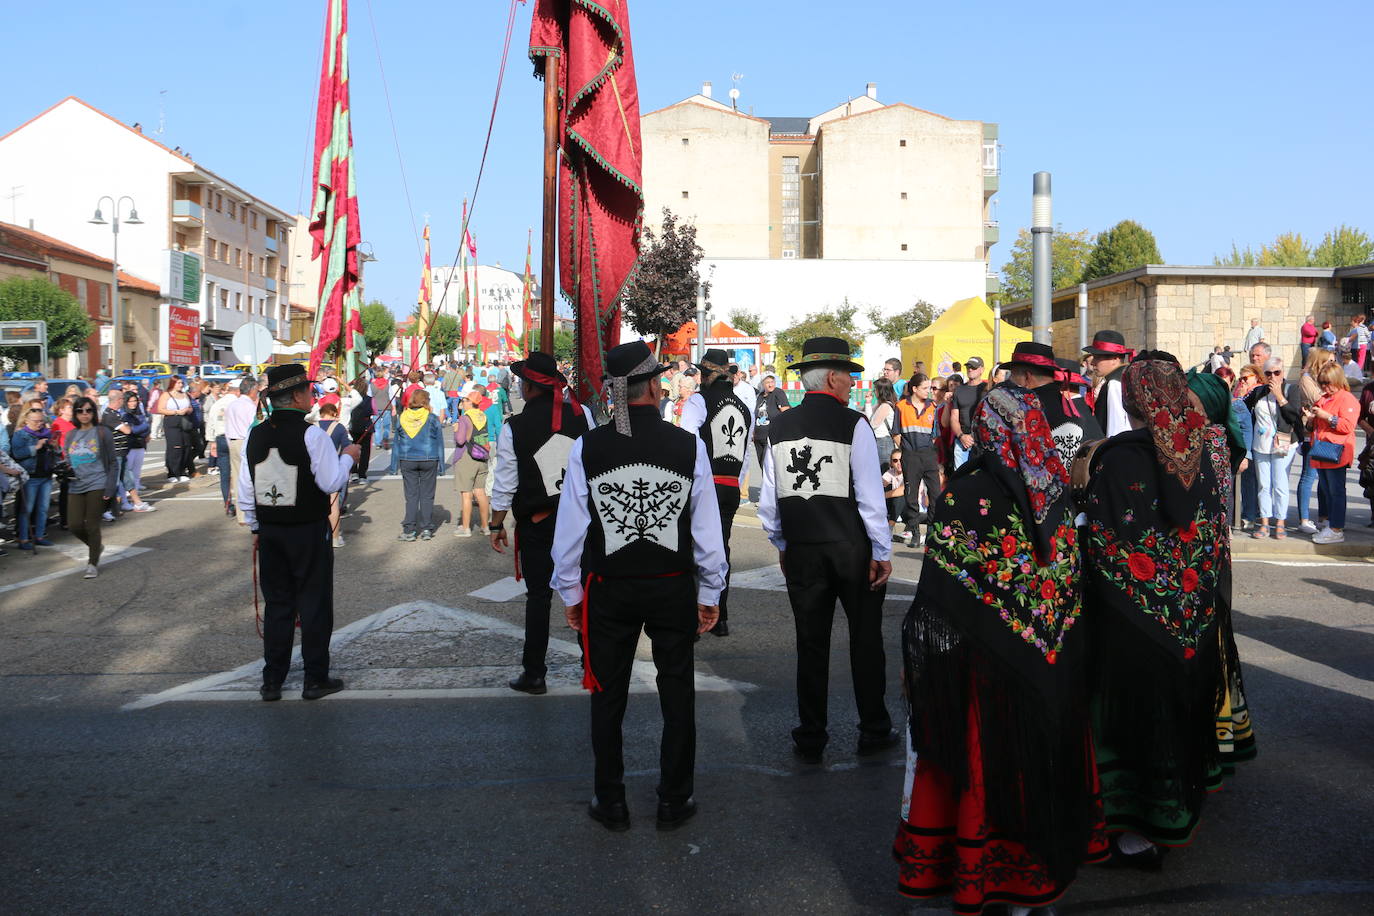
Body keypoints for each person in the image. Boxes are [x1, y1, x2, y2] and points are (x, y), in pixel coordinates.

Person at [895, 386, 1106, 911]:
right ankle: (1030, 889)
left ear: (986, 430)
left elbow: (940, 597)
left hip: (985, 664)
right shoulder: (1058, 491)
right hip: (1050, 665)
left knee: (985, 766)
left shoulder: (967, 493)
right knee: (1038, 763)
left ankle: (985, 876)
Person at [1082, 353, 1252, 865]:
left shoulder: (1116, 457)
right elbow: (1206, 537)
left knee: (1132, 722)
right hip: (1192, 612)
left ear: (1131, 400)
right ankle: (1174, 814)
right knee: (1177, 712)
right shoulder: (1202, 449)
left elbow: (1104, 543)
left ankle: (1135, 831)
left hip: (1128, 618)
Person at [551, 340, 726, 832]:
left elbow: (570, 532)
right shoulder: (686, 444)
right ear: (653, 386)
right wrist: (709, 594)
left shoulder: (591, 445)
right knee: (677, 692)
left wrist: (571, 595)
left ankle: (611, 800)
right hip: (671, 585)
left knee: (608, 695)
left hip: (610, 587)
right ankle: (674, 798)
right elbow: (707, 532)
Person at [757, 336, 897, 765]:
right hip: (850, 547)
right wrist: (882, 549)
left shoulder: (779, 426)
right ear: (833, 377)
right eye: (850, 377)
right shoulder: (853, 423)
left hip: (803, 547)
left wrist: (782, 542)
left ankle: (811, 734)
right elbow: (871, 498)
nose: (853, 385)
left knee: (811, 642)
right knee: (865, 640)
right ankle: (873, 728)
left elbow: (769, 499)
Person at [237, 364, 360, 701]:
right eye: (308, 390)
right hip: (306, 531)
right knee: (313, 604)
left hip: (271, 531)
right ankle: (315, 678)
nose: (313, 396)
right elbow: (331, 482)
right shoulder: (312, 435)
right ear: (295, 395)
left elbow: (246, 488)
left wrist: (255, 526)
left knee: (278, 604)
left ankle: (272, 680)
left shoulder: (256, 433)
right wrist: (349, 457)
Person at [489, 352, 594, 694]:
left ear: (532, 387)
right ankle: (591, 664)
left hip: (540, 522)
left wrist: (496, 523)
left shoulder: (514, 427)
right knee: (582, 593)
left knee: (539, 598)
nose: (519, 386)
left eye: (522, 381)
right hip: (580, 522)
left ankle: (535, 673)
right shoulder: (585, 416)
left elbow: (505, 482)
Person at [680, 349, 754, 637]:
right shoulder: (743, 406)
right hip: (730, 486)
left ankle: (694, 617)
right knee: (721, 547)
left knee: (692, 548)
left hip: (703, 484)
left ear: (709, 375)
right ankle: (719, 617)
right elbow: (745, 454)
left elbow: (687, 442)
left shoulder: (699, 401)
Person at [1002, 342, 1103, 467]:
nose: (1010, 381)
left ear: (1027, 377)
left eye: (1013, 375)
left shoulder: (1027, 408)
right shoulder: (1072, 407)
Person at [62, 397, 120, 579]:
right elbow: (69, 460)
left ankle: (92, 563)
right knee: (74, 525)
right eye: (80, 411)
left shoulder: (102, 432)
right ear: (75, 413)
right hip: (76, 484)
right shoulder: (71, 435)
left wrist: (110, 488)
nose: (84, 414)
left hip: (98, 482)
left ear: (94, 412)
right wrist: (65, 467)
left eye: (88, 410)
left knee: (92, 524)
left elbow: (113, 462)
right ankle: (97, 546)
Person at [1245, 356, 1301, 539]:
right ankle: (1264, 523)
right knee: (1263, 485)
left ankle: (1280, 523)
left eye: (1276, 373)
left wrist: (1279, 397)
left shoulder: (1291, 389)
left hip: (1283, 443)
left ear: (1282, 372)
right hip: (1261, 444)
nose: (1272, 377)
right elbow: (1243, 408)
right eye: (1268, 373)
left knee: (1280, 484)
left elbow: (1294, 416)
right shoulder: (1259, 391)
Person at [1305, 362, 1360, 545]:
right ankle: (1331, 524)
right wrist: (1312, 419)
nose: (1324, 387)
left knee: (1336, 491)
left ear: (1337, 380)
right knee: (1328, 490)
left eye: (1327, 383)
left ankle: (1336, 529)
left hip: (1336, 451)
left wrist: (1325, 416)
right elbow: (1316, 425)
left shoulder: (1347, 399)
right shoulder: (1324, 399)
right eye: (1321, 383)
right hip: (1323, 451)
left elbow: (1348, 426)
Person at [894, 373, 939, 547]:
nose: (929, 391)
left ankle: (932, 534)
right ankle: (914, 532)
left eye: (929, 388)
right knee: (911, 495)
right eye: (925, 388)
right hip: (910, 455)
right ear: (914, 388)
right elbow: (896, 433)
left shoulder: (933, 407)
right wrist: (907, 450)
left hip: (928, 455)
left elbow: (935, 435)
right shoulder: (901, 406)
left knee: (935, 494)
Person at [394, 387, 444, 541]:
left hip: (408, 458)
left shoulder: (402, 417)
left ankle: (409, 529)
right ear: (426, 401)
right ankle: (427, 528)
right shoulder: (432, 418)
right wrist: (441, 464)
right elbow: (440, 441)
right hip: (429, 457)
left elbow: (396, 441)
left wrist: (393, 465)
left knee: (411, 495)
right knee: (427, 495)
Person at [1295, 348, 1336, 534]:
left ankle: (1323, 517)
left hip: (1324, 432)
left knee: (1323, 478)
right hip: (1310, 433)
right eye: (1329, 361)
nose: (1333, 365)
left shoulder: (1323, 380)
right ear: (1320, 361)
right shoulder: (1307, 379)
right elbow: (1321, 401)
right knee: (1309, 475)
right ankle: (1304, 519)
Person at [10, 407, 57, 551]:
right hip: (31, 477)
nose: (39, 424)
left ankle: (39, 536)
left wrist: (54, 447)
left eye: (41, 421)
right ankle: (23, 539)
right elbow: (17, 454)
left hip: (46, 475)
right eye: (36, 421)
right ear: (27, 420)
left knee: (43, 508)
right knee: (27, 509)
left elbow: (53, 453)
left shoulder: (46, 434)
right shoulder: (20, 435)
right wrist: (35, 447)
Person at [451, 383, 491, 538]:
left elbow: (461, 440)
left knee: (466, 494)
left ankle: (466, 528)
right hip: (482, 455)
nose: (462, 403)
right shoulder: (482, 415)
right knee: (481, 493)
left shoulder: (465, 418)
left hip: (467, 457)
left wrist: (455, 430)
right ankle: (485, 526)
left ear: (470, 402)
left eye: (465, 400)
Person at [316, 402, 352, 547]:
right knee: (333, 504)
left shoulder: (312, 427)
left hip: (315, 469)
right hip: (334, 467)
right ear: (334, 413)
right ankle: (335, 537)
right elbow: (346, 447)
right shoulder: (339, 428)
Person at [1083, 330, 1133, 437]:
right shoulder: (1125, 376)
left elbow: (1116, 428)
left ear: (1115, 359)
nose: (1092, 362)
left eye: (1097, 357)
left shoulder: (1114, 383)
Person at [224, 378, 260, 524]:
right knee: (251, 479)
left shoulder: (232, 405)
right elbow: (253, 427)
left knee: (238, 478)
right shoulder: (250, 406)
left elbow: (227, 428)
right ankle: (251, 513)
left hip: (233, 442)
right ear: (252, 390)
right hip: (246, 442)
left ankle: (242, 516)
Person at [1231, 366, 1261, 530]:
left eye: (1245, 378)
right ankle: (1247, 513)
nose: (1242, 382)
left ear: (1256, 377)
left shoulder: (1257, 391)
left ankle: (1249, 515)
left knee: (1250, 481)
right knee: (1245, 482)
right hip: (1246, 441)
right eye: (1240, 378)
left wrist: (1241, 397)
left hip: (1255, 441)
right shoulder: (1240, 392)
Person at [947, 356, 987, 467]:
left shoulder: (987, 389)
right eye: (968, 366)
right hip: (962, 441)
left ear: (981, 370)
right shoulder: (959, 390)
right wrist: (961, 436)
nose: (970, 369)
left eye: (973, 367)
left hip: (982, 441)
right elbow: (954, 418)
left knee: (980, 478)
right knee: (960, 479)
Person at [205, 382, 236, 515]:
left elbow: (210, 423)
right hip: (234, 438)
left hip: (220, 438)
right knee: (240, 472)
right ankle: (243, 505)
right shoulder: (238, 403)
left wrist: (212, 441)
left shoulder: (217, 403)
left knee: (225, 474)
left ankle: (227, 503)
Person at [751, 372, 790, 474]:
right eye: (767, 382)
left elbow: (786, 412)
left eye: (772, 381)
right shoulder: (759, 396)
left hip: (771, 435)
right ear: (762, 384)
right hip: (758, 436)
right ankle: (768, 489)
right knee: (762, 465)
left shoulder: (778, 392)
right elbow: (755, 415)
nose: (770, 384)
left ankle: (772, 489)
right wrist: (753, 432)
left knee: (768, 466)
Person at [158, 376, 194, 483]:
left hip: (184, 421)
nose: (180, 385)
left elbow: (191, 407)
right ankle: (173, 472)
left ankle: (182, 470)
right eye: (178, 383)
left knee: (186, 446)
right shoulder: (166, 395)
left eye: (181, 383)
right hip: (172, 422)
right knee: (175, 447)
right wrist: (176, 412)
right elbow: (161, 409)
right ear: (173, 383)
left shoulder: (185, 394)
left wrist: (187, 410)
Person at [348, 377, 375, 482]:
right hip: (366, 427)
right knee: (365, 451)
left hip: (352, 426)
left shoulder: (349, 398)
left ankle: (354, 472)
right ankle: (362, 474)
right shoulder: (370, 399)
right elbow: (375, 411)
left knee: (352, 449)